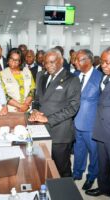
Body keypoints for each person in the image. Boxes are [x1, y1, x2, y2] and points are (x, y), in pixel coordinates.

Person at [29, 48, 81, 177]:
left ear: (61, 61)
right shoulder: (42, 76)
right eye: (46, 63)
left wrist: (48, 119)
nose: (48, 65)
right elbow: (37, 99)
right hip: (41, 130)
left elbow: (73, 107)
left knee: (62, 169)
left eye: (52, 62)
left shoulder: (72, 79)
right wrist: (35, 110)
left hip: (60, 133)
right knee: (44, 167)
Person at [86, 47, 110, 199]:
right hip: (100, 128)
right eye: (102, 62)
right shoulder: (103, 76)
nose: (104, 65)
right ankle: (103, 188)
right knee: (102, 163)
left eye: (108, 62)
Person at [72, 50, 102, 191]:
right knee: (78, 150)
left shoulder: (100, 77)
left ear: (88, 60)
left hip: (91, 124)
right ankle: (77, 173)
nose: (75, 62)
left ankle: (91, 177)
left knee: (94, 153)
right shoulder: (75, 75)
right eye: (75, 60)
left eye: (78, 60)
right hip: (76, 122)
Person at [0, 48, 35, 112]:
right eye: (11, 59)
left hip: (27, 108)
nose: (14, 62)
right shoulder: (2, 74)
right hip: (12, 110)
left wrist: (25, 105)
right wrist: (20, 106)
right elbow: (4, 94)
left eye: (17, 60)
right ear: (8, 59)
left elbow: (32, 89)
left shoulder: (27, 71)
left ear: (20, 61)